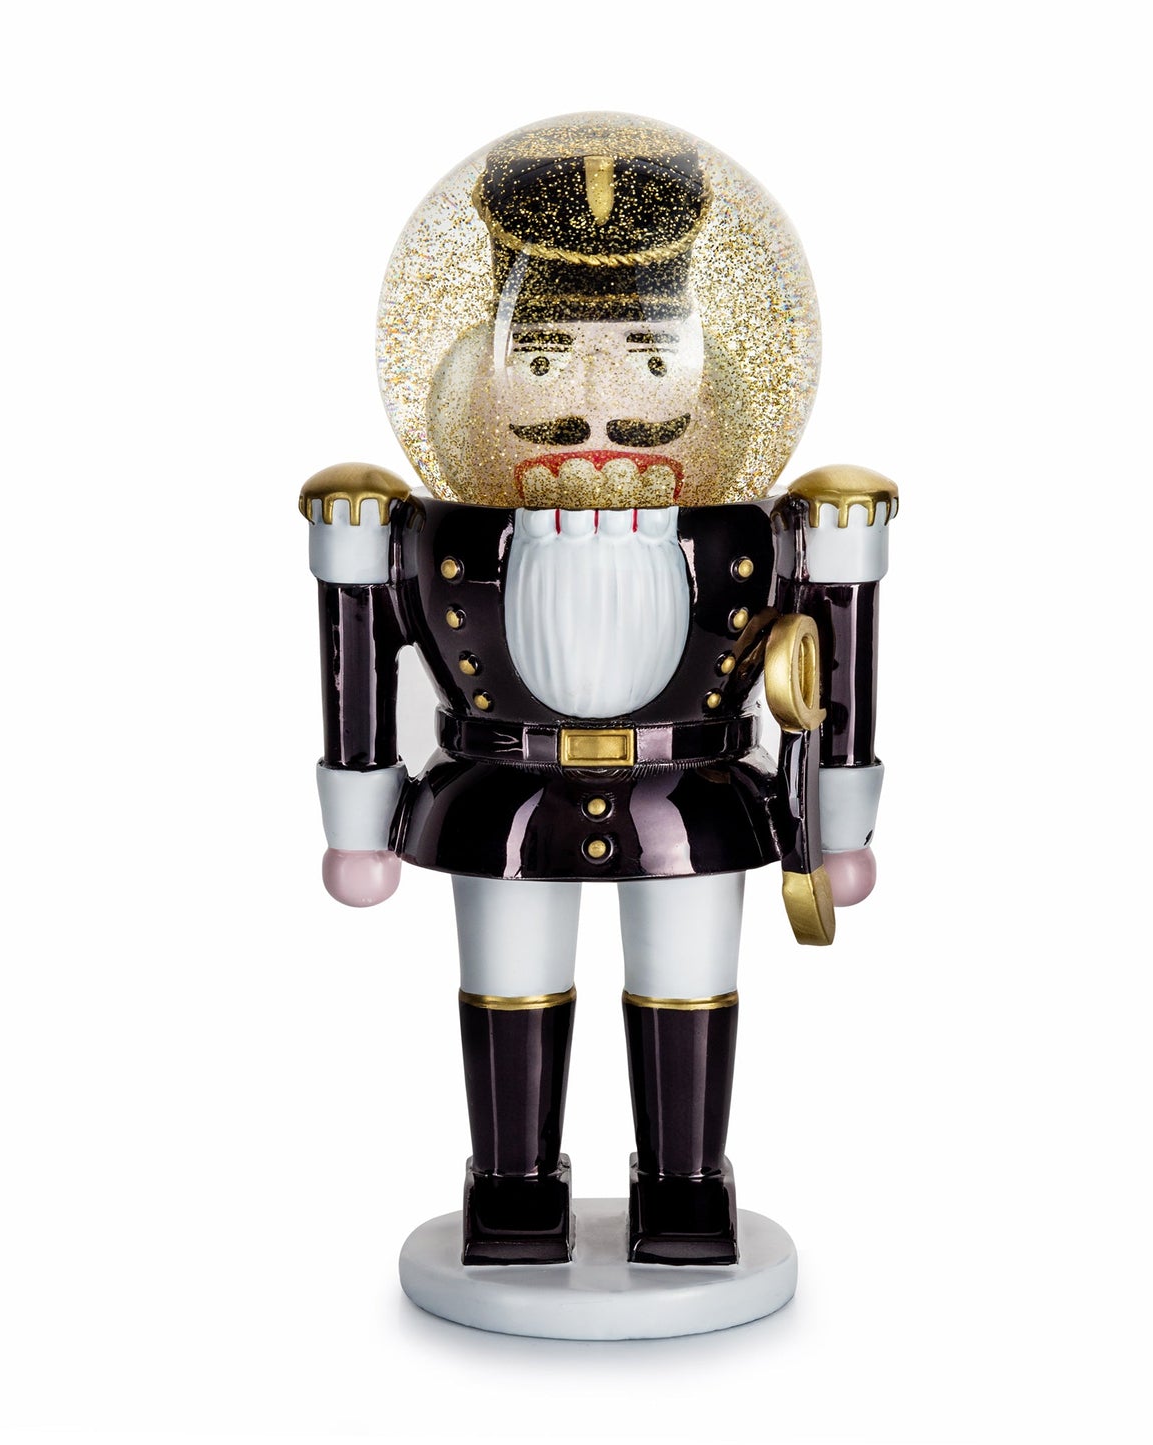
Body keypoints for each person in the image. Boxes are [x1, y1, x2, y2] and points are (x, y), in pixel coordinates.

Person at [300, 113, 896, 1265]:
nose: (596, 410)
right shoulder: (434, 532)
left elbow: (833, 656)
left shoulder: (757, 532)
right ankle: (511, 1184)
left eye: (645, 358)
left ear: (710, 373)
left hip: (692, 793)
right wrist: (356, 817)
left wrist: (838, 826)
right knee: (507, 979)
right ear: (477, 373)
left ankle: (684, 1183)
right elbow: (359, 641)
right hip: (502, 795)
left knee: (689, 979)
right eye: (542, 361)